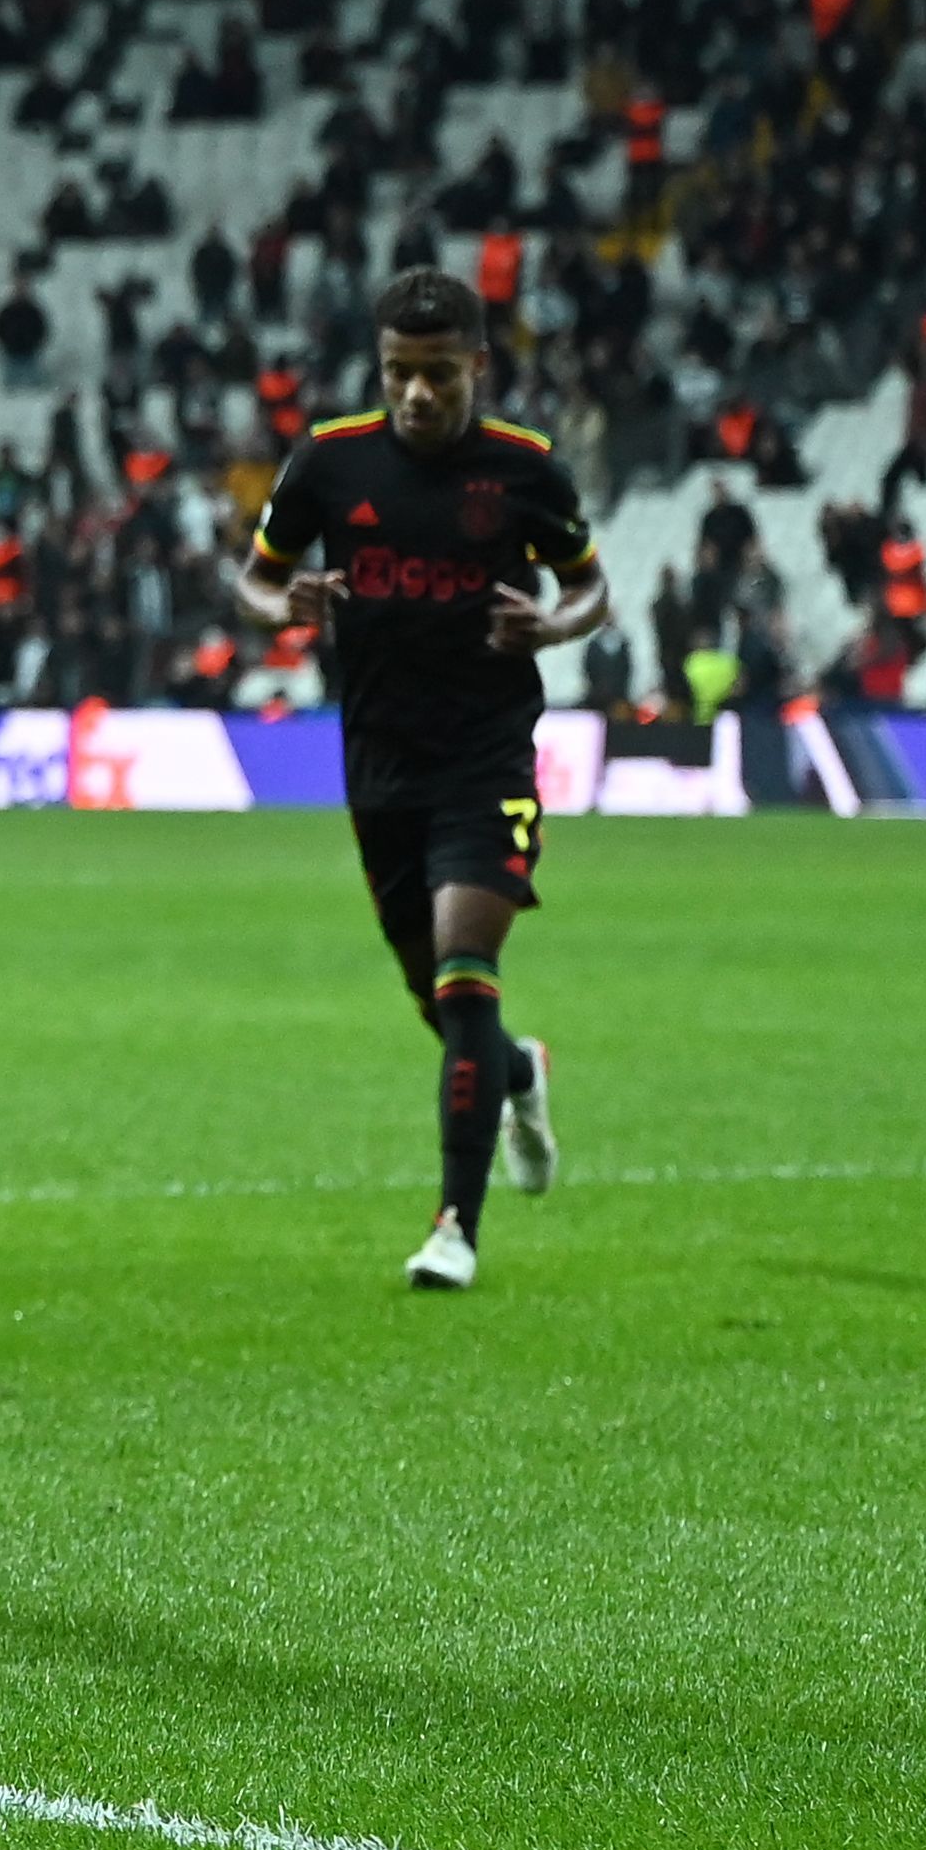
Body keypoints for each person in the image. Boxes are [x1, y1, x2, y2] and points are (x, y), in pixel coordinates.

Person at [233, 267, 610, 1293]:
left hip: (487, 758)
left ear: (476, 367)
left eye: (437, 374)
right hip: (379, 764)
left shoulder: (526, 470)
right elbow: (256, 576)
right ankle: (517, 1072)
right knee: (435, 996)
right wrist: (282, 604)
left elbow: (590, 589)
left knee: (461, 966)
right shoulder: (331, 462)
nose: (416, 394)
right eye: (399, 372)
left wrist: (555, 625)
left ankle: (456, 1226)